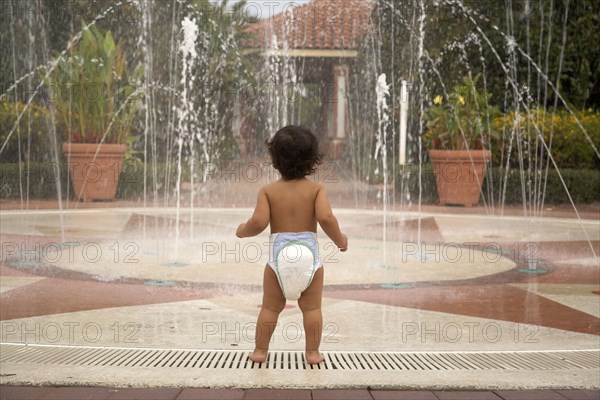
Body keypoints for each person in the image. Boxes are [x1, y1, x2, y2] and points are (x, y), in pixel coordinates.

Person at [236, 125, 348, 365]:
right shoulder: (317, 189)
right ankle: (313, 353)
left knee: (270, 308)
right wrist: (341, 240)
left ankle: (259, 351)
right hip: (310, 259)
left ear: (274, 159)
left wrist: (242, 231)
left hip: (278, 259)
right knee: (312, 309)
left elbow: (258, 222)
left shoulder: (268, 191)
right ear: (312, 160)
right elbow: (327, 218)